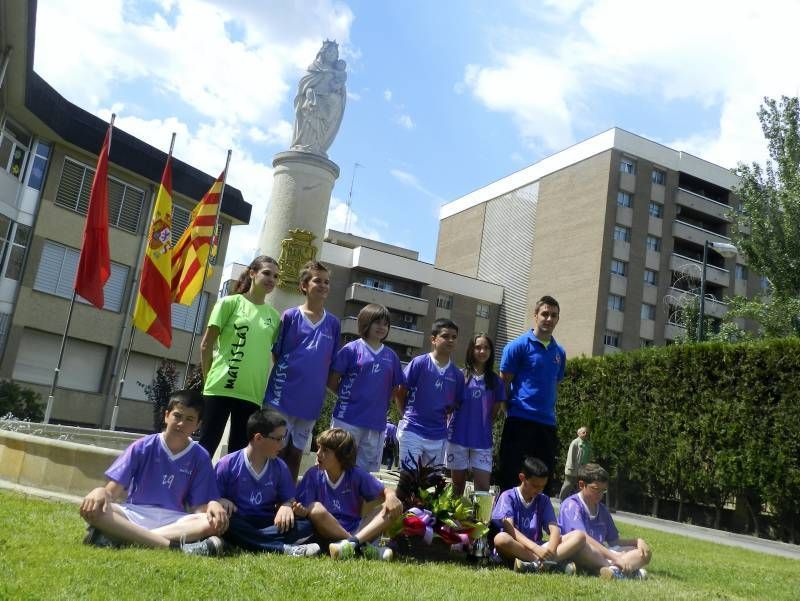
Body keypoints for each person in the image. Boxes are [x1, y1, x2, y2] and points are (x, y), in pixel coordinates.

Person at [79, 390, 228, 555]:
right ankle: (176, 548)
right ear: (166, 416)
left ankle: (122, 536)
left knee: (212, 522)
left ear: (198, 425)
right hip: (135, 513)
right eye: (177, 416)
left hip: (174, 520)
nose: (181, 423)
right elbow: (111, 492)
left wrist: (213, 504)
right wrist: (100, 491)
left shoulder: (200, 456)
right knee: (96, 509)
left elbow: (198, 510)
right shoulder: (143, 446)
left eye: (189, 419)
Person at [264, 261, 341, 481]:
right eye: (318, 280)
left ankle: (286, 499)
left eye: (327, 282)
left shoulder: (333, 324)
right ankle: (265, 497)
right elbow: (276, 353)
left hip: (311, 400)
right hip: (282, 396)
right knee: (275, 448)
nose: (324, 285)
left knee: (296, 451)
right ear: (304, 285)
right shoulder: (289, 316)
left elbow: (330, 361)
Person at [198, 255, 281, 458]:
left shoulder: (275, 317)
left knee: (239, 454)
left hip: (251, 394)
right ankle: (192, 489)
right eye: (266, 273)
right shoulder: (229, 303)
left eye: (276, 276)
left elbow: (275, 357)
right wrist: (207, 377)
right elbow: (206, 345)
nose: (272, 279)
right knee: (205, 448)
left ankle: (228, 491)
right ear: (252, 273)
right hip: (219, 388)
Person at [215, 409, 320, 557]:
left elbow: (288, 499)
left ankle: (242, 542)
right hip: (239, 520)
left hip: (267, 522)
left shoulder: (280, 467)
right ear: (258, 438)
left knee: (305, 526)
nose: (282, 445)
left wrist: (286, 506)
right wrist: (220, 500)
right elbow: (210, 499)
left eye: (283, 438)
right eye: (278, 439)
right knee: (225, 521)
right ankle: (283, 549)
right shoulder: (227, 464)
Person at [293, 428, 403, 560]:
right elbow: (305, 508)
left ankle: (350, 545)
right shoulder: (313, 474)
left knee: (393, 507)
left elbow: (385, 491)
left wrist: (391, 496)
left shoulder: (355, 474)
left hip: (358, 529)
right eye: (319, 448)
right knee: (315, 509)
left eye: (325, 450)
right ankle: (361, 548)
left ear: (341, 455)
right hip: (327, 532)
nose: (318, 453)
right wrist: (301, 511)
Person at [498, 295, 566, 493]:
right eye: (544, 314)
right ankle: (503, 522)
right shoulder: (517, 346)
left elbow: (554, 384)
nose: (549, 319)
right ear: (535, 315)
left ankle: (536, 523)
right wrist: (507, 410)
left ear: (557, 319)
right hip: (519, 420)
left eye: (553, 315)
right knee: (511, 476)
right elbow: (503, 384)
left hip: (547, 425)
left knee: (542, 483)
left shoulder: (559, 353)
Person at [327, 303, 405, 472]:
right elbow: (332, 381)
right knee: (337, 468)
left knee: (364, 475)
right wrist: (349, 398)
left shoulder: (391, 356)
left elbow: (396, 388)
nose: (382, 327)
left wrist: (380, 402)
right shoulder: (351, 349)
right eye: (377, 322)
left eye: (386, 324)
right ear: (365, 323)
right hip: (347, 419)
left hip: (375, 424)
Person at [492, 457, 585, 574]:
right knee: (501, 539)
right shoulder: (508, 496)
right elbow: (510, 529)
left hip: (540, 548)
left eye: (543, 486)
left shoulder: (543, 500)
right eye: (535, 486)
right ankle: (549, 565)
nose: (540, 490)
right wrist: (536, 549)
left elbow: (554, 529)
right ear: (522, 478)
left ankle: (536, 565)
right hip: (516, 548)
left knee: (579, 536)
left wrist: (550, 550)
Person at [558, 463, 651, 579]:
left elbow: (614, 541)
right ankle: (623, 570)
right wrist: (614, 557)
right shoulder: (571, 505)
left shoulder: (602, 509)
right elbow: (583, 538)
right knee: (584, 548)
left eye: (603, 491)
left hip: (602, 553)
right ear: (582, 485)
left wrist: (637, 541)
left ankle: (612, 571)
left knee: (643, 552)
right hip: (581, 552)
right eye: (596, 489)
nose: (600, 494)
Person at [396, 318, 464, 469]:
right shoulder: (419, 363)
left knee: (430, 485)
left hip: (438, 436)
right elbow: (400, 391)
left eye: (454, 337)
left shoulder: (457, 375)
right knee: (407, 479)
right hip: (412, 430)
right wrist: (405, 415)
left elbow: (455, 404)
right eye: (445, 336)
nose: (450, 340)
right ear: (433, 339)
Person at [446, 333, 505, 496]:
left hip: (482, 440)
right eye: (478, 347)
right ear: (471, 350)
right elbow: (450, 406)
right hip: (457, 437)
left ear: (491, 352)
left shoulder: (496, 381)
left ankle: (478, 522)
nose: (482, 351)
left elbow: (494, 412)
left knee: (483, 489)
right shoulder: (459, 376)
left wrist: (481, 426)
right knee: (457, 486)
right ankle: (453, 521)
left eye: (486, 347)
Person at [559, 426, 592, 501]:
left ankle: (577, 501)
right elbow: (570, 456)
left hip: (582, 470)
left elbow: (589, 457)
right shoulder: (575, 443)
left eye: (587, 432)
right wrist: (570, 467)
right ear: (578, 433)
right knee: (568, 485)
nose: (585, 434)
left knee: (580, 486)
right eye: (583, 432)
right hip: (572, 469)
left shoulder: (588, 444)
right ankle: (562, 499)